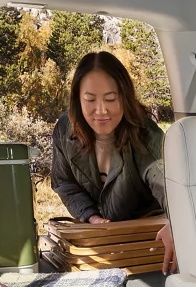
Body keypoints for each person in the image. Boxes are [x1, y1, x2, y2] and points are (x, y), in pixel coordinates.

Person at [51, 51, 175, 273]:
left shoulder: (146, 134)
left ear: (125, 98)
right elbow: (65, 183)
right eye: (90, 100)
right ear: (77, 100)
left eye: (110, 99)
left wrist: (177, 223)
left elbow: (167, 180)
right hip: (98, 245)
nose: (101, 110)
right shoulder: (64, 129)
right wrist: (91, 216)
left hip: (147, 245)